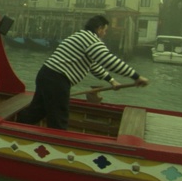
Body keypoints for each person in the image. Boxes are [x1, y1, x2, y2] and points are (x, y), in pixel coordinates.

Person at [16, 15, 149, 130]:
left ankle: (14, 126)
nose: (105, 33)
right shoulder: (91, 40)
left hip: (46, 75)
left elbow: (93, 66)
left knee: (37, 111)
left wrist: (111, 80)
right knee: (59, 118)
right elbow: (109, 61)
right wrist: (136, 76)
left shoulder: (81, 36)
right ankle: (57, 147)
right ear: (99, 28)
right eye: (105, 30)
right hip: (57, 79)